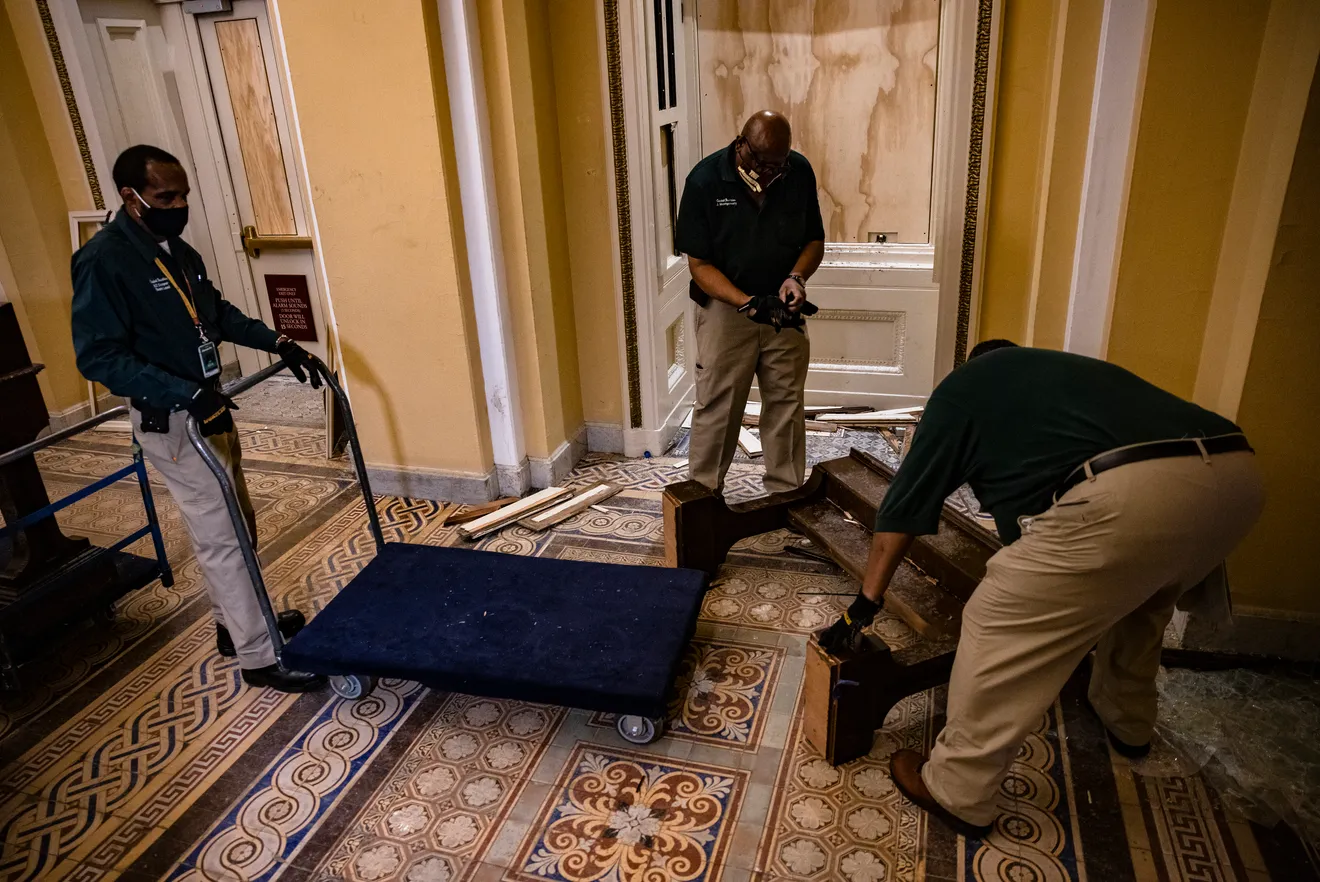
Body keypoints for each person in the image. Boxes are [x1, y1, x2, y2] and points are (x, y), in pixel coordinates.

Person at [819, 341, 1264, 836]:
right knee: (1143, 599)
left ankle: (957, 789)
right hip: (1236, 477)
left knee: (998, 616)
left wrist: (865, 603)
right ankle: (1128, 722)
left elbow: (898, 513)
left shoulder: (961, 392)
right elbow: (1035, 530)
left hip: (1134, 491)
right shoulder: (1058, 387)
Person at [71, 144, 326, 693]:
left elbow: (215, 314)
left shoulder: (178, 252)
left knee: (238, 523)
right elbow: (99, 357)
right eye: (167, 195)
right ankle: (261, 657)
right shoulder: (105, 261)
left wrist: (279, 342)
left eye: (184, 193)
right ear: (130, 197)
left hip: (209, 409)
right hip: (175, 420)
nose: (180, 203)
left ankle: (235, 627)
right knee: (224, 535)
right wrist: (183, 393)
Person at [675, 110, 825, 495]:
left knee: (786, 406)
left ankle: (785, 494)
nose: (772, 172)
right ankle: (702, 498)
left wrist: (796, 278)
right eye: (763, 163)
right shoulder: (705, 181)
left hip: (782, 308)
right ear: (742, 145)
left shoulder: (798, 172)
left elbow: (813, 240)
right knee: (718, 406)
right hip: (726, 311)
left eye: (779, 164)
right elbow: (700, 265)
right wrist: (745, 302)